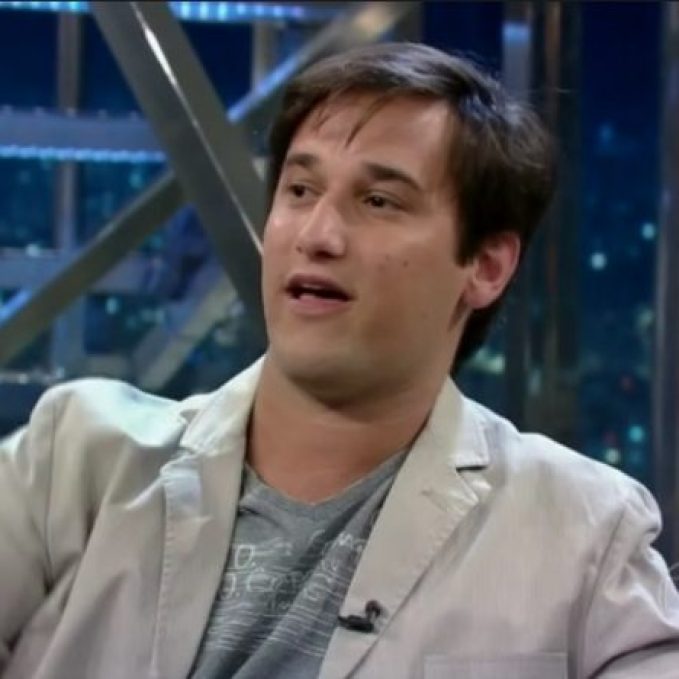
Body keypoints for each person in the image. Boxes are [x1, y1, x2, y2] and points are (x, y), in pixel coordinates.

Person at [1, 42, 678, 679]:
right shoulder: (75, 458)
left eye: (378, 201)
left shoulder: (581, 534)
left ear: (486, 265)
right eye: (299, 190)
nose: (317, 235)